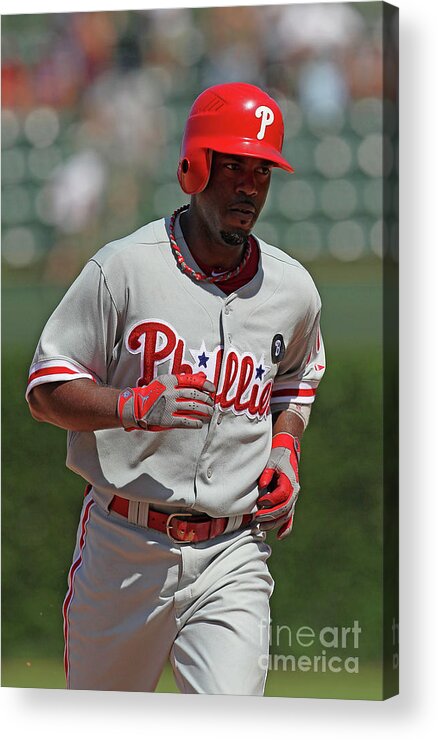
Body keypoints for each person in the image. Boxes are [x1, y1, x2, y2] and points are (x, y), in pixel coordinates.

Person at [26, 82, 325, 695]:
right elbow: (46, 387)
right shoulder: (123, 268)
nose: (249, 185)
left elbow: (299, 376)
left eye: (262, 169)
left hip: (233, 553)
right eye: (233, 164)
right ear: (193, 167)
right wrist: (129, 407)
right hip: (123, 546)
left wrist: (285, 448)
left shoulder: (293, 290)